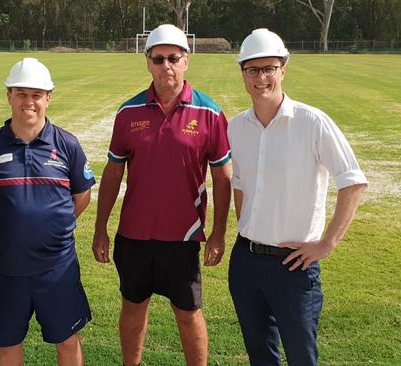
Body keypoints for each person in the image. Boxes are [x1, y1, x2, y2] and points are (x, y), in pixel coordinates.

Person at [227, 28, 369, 366]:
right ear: (243, 74)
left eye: (269, 69)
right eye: (253, 69)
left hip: (294, 266)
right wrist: (249, 228)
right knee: (260, 355)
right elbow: (240, 184)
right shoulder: (236, 127)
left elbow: (353, 181)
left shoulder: (312, 122)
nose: (261, 78)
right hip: (245, 263)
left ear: (283, 70)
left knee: (302, 357)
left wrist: (327, 244)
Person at [92, 24, 232, 366]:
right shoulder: (129, 113)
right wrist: (100, 228)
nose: (166, 65)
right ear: (148, 62)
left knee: (188, 313)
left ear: (186, 61)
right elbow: (113, 173)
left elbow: (223, 178)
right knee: (133, 306)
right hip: (133, 235)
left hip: (182, 237)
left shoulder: (209, 113)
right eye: (158, 59)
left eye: (173, 58)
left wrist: (218, 233)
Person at [0, 57, 95, 366]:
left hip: (57, 268)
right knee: (8, 345)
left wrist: (52, 226)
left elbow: (82, 196)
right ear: (9, 95)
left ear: (48, 97)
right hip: (5, 270)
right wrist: (14, 223)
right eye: (21, 94)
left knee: (67, 340)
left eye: (36, 95)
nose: (29, 102)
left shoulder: (67, 145)